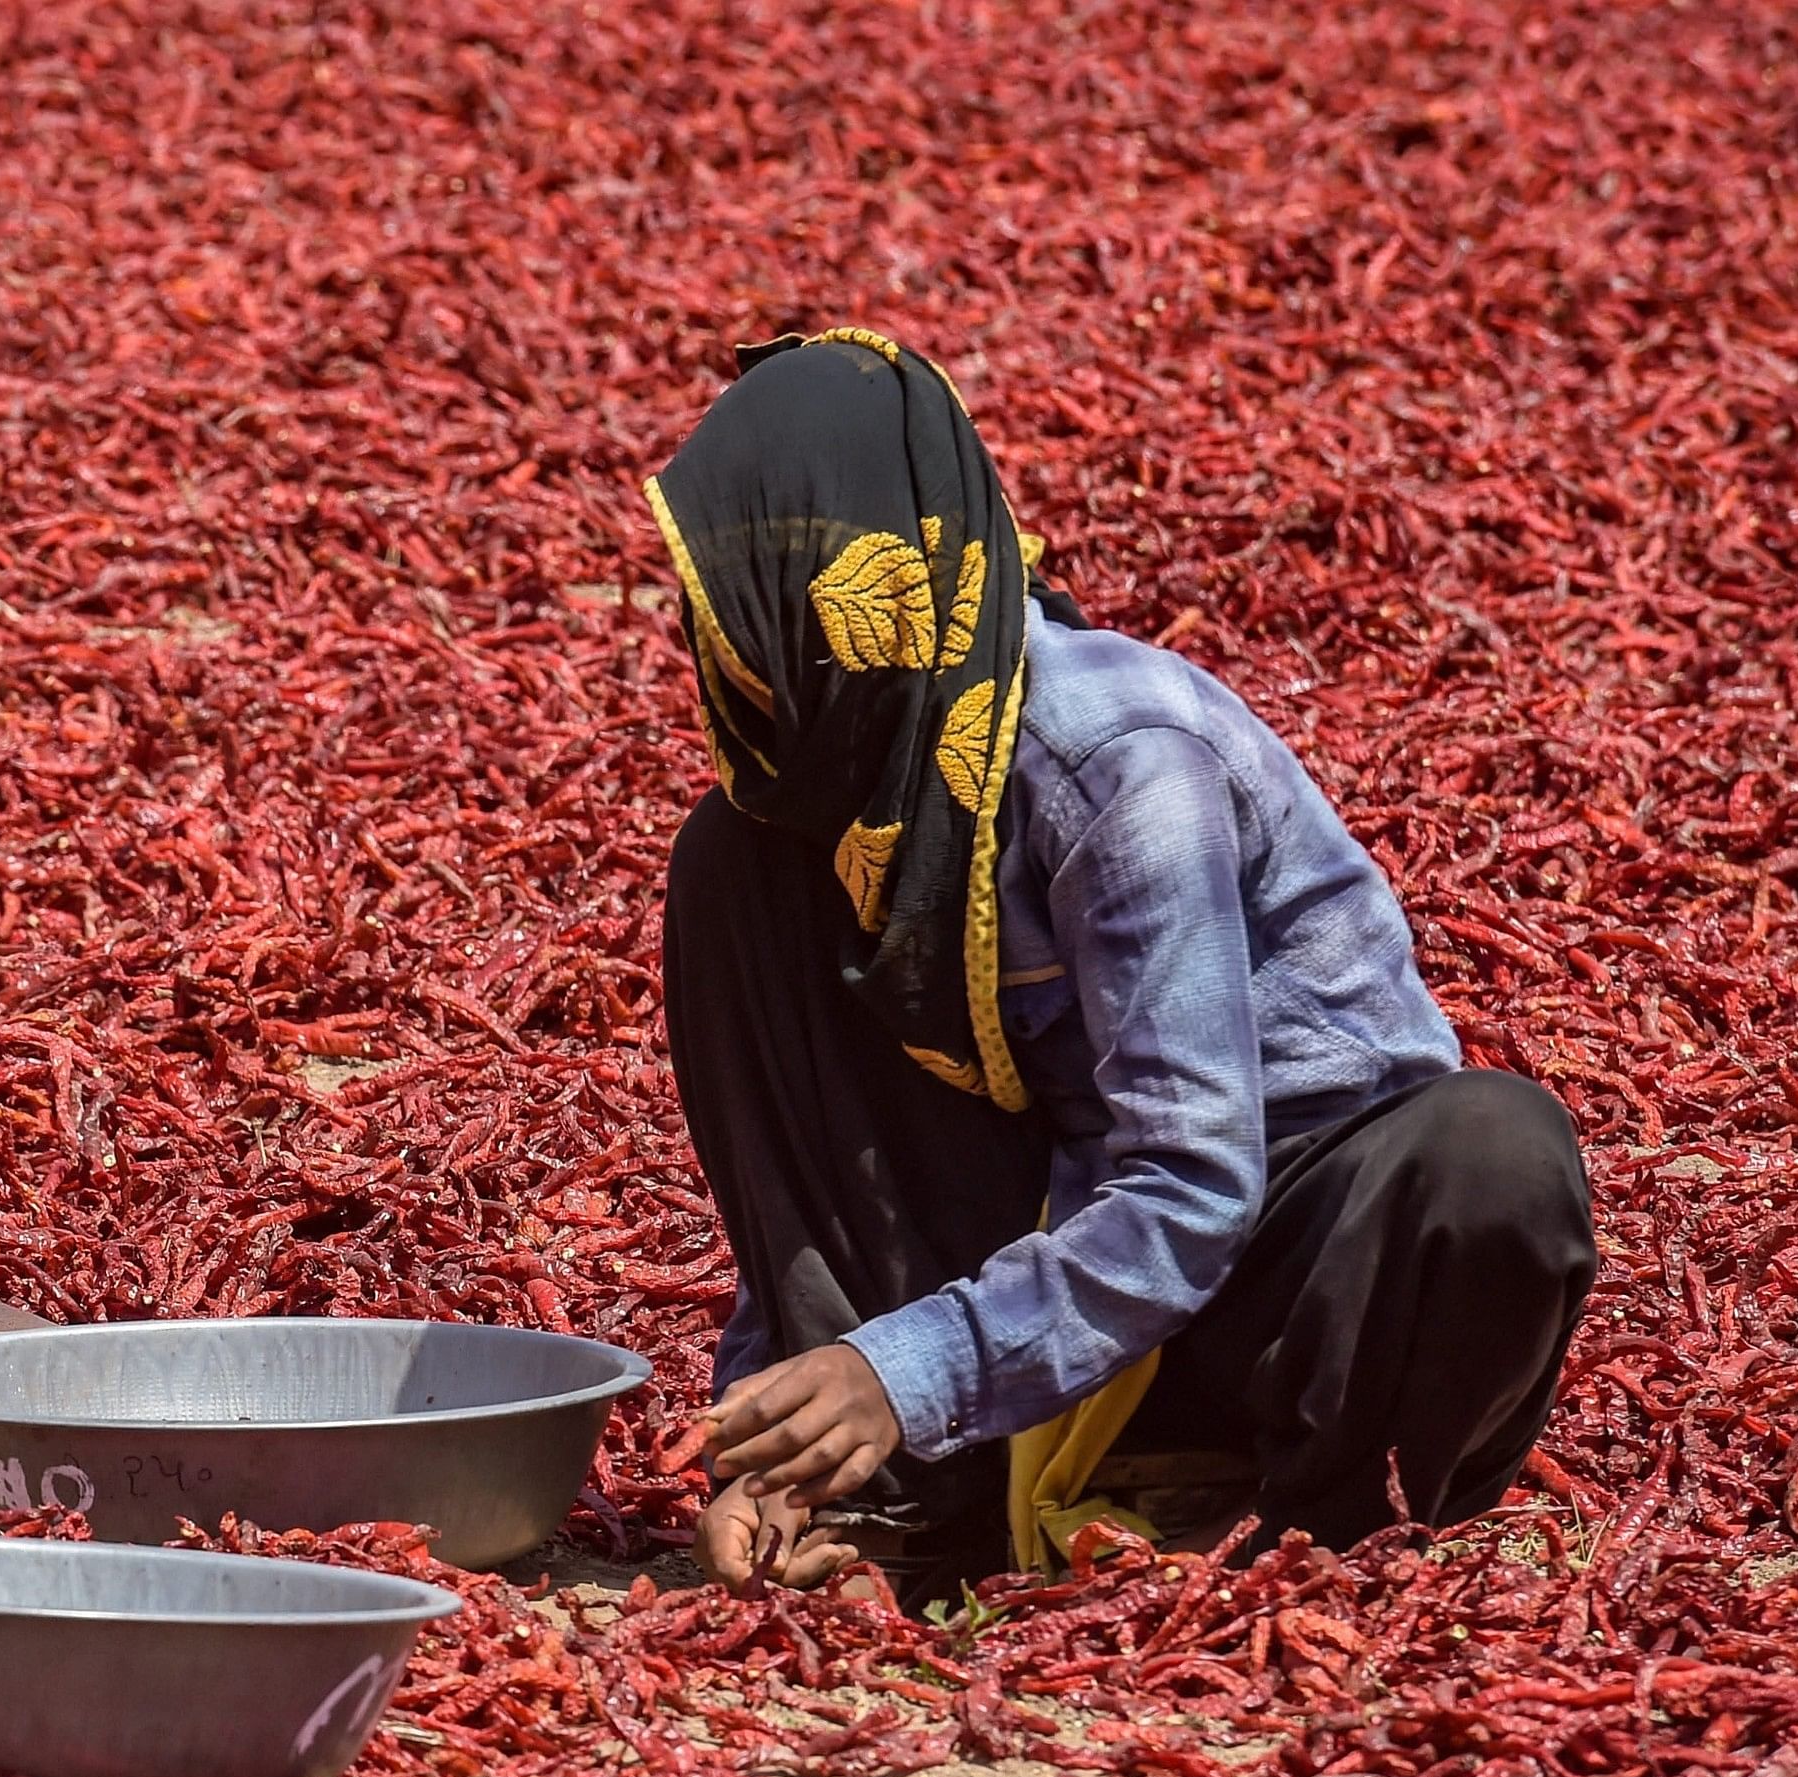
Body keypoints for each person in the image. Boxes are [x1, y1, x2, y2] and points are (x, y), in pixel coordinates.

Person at [642, 330, 1597, 1602]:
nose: (734, 641)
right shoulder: (821, 807)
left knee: (1496, 1160)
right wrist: (765, 1452)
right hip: (1053, 1258)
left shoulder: (1115, 763)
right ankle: (880, 1507)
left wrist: (905, 1372)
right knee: (734, 859)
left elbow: (1194, 1182)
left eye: (768, 591)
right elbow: (802, 1187)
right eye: (723, 594)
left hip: (1282, 1259)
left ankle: (1302, 1518)